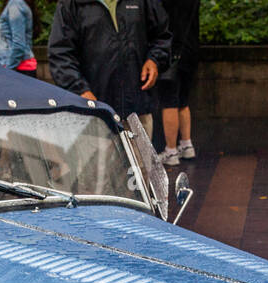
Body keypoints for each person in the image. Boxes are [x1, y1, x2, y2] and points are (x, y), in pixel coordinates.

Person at [48, 0, 172, 138]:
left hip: (138, 111)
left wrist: (154, 60)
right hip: (93, 115)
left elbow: (162, 36)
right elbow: (60, 53)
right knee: (97, 160)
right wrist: (80, 90)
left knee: (141, 159)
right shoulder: (71, 4)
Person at [155, 0, 200, 165]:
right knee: (183, 100)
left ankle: (171, 151)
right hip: (191, 50)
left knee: (169, 101)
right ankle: (187, 144)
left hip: (172, 51)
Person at [0, 0, 38, 75]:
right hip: (20, 67)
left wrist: (7, 71)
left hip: (18, 68)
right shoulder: (18, 4)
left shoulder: (15, 5)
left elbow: (19, 44)